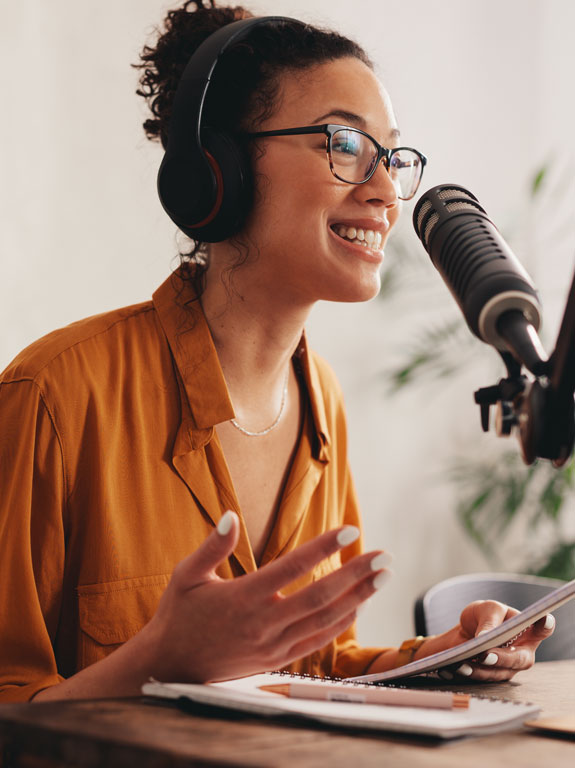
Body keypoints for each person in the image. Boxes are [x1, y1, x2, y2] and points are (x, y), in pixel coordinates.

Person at [0, 0, 554, 703]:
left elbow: (308, 671)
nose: (385, 192)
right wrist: (155, 660)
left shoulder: (318, 401)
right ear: (218, 172)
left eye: (390, 157)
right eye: (345, 146)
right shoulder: (55, 395)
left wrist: (440, 655)